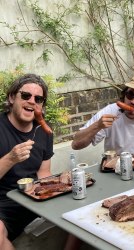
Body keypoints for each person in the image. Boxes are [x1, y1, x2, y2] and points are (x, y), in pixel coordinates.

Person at [0, 74, 53, 249]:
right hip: (3, 203)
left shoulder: (44, 131)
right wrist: (10, 159)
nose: (32, 101)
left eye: (38, 99)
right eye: (25, 96)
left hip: (32, 199)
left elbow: (44, 174)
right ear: (11, 97)